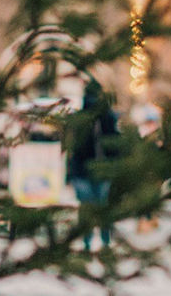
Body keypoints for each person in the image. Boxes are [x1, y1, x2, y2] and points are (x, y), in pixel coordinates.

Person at [65, 82, 119, 251]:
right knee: (102, 206)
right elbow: (114, 144)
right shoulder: (108, 117)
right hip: (101, 170)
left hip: (82, 170)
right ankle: (105, 240)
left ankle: (88, 241)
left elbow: (71, 146)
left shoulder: (79, 118)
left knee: (87, 208)